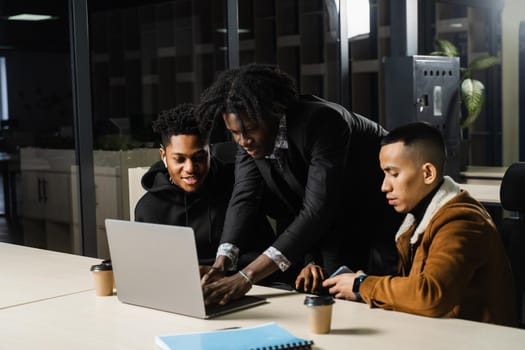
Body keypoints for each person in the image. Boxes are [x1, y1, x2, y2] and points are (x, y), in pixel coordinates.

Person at [196, 64, 401, 305]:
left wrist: (246, 276)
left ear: (274, 112)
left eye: (250, 129)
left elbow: (317, 210)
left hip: (378, 209)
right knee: (321, 287)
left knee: (349, 291)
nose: (243, 140)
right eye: (234, 133)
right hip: (329, 212)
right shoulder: (248, 141)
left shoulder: (322, 122)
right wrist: (223, 262)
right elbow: (244, 198)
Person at [322, 122, 516, 326]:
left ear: (428, 174)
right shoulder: (418, 220)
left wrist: (363, 285)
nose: (384, 186)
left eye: (394, 174)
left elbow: (431, 296)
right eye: (384, 174)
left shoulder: (461, 221)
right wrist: (363, 286)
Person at [134, 103, 274, 269]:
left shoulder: (238, 190)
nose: (190, 168)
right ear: (164, 155)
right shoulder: (149, 208)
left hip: (248, 285)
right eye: (179, 159)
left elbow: (265, 249)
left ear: (210, 151)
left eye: (199, 157)